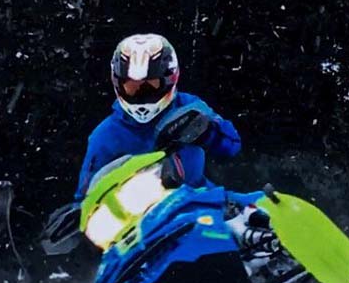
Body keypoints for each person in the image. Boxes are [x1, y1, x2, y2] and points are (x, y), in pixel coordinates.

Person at [74, 33, 241, 202]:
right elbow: (85, 197)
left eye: (150, 86)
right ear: (118, 84)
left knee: (258, 210)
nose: (141, 96)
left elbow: (232, 145)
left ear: (170, 78)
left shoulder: (189, 107)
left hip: (198, 202)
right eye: (133, 88)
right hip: (136, 219)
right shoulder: (105, 135)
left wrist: (208, 132)